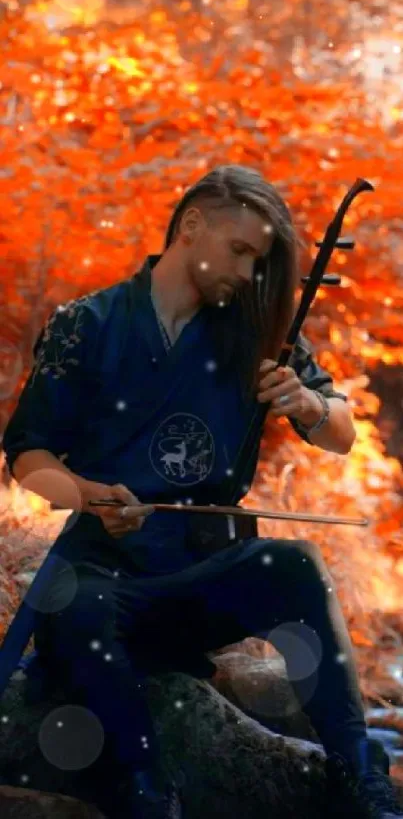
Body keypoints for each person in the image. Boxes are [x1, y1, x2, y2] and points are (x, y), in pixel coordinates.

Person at [2, 165, 401, 819]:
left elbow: (339, 433)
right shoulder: (88, 322)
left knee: (294, 565)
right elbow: (28, 456)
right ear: (190, 226)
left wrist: (304, 402)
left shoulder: (251, 332)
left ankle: (359, 776)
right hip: (105, 582)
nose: (248, 273)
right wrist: (89, 492)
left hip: (198, 579)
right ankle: (145, 785)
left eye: (259, 259)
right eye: (240, 250)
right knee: (78, 602)